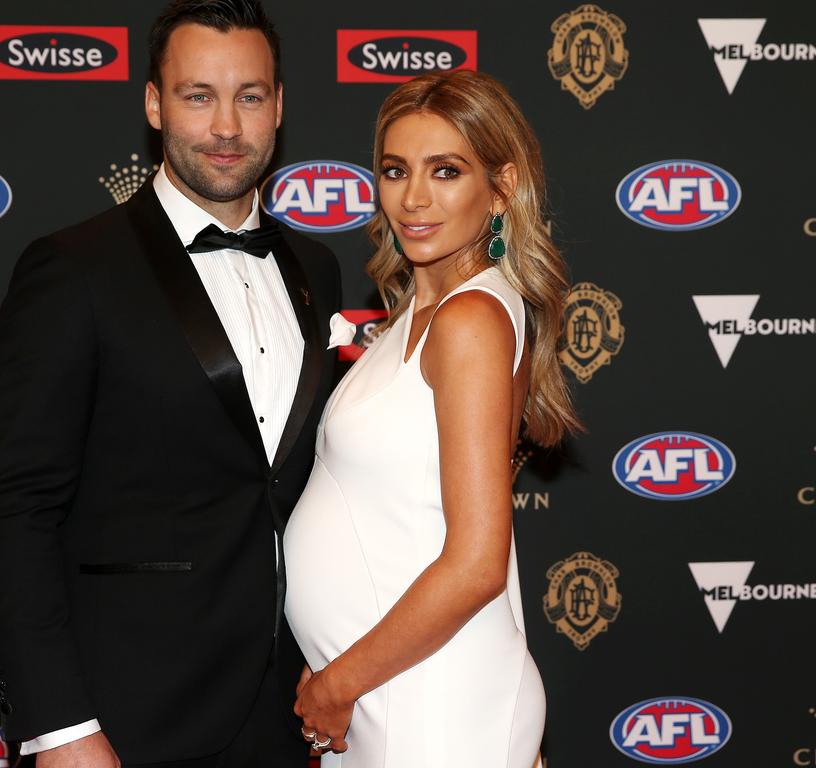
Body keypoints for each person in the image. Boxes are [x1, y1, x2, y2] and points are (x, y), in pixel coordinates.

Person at [0, 2, 341, 766]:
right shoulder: (74, 270)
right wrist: (63, 730)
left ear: (279, 105)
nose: (227, 127)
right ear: (153, 103)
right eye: (197, 95)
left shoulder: (316, 269)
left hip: (284, 712)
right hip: (125, 717)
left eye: (249, 95)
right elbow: (18, 511)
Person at [283, 70, 582, 767]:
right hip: (388, 687)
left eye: (446, 171)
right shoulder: (420, 315)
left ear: (502, 187)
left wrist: (340, 679)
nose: (413, 198)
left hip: (432, 700)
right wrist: (338, 668)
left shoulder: (473, 318)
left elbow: (476, 563)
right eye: (395, 170)